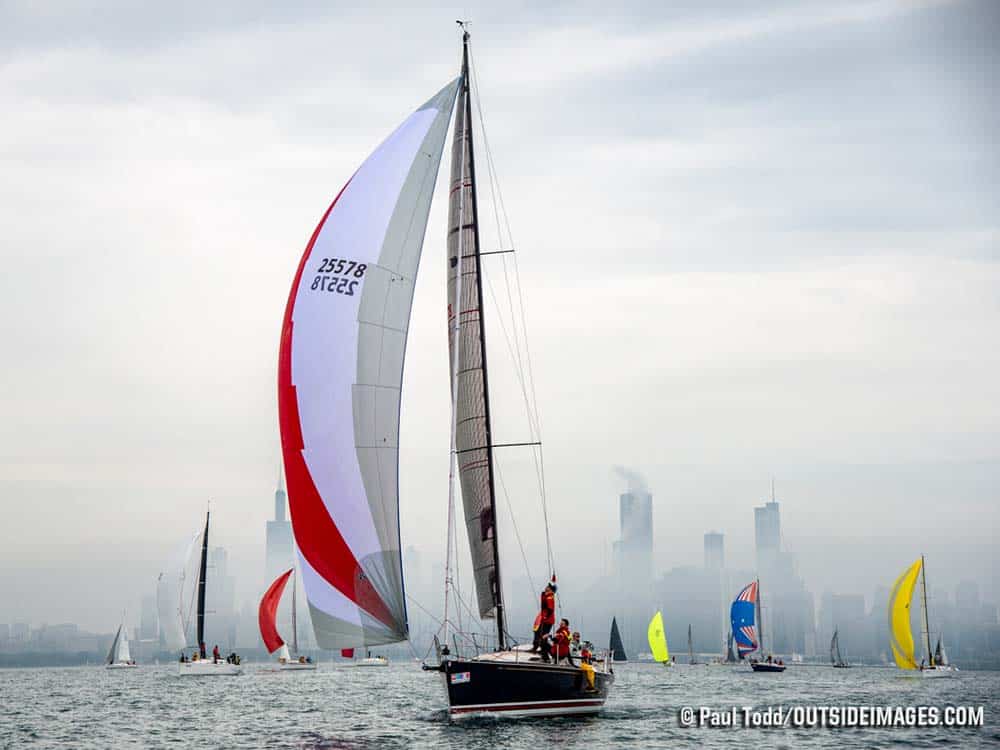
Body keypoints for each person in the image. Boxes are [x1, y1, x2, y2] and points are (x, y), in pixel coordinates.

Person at [531, 583, 557, 654]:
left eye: (548, 587)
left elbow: (550, 609)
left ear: (551, 589)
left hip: (547, 620)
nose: (546, 587)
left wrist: (546, 617)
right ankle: (536, 647)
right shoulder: (546, 595)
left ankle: (546, 650)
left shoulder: (550, 597)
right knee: (537, 632)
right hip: (543, 617)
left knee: (542, 635)